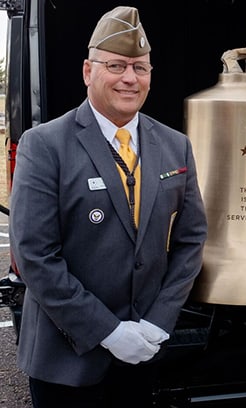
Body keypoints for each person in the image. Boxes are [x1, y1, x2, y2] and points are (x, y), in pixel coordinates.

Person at [9, 6, 208, 408]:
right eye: (116, 65)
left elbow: (191, 240)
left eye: (141, 68)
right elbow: (35, 255)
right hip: (67, 359)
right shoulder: (46, 145)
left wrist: (158, 321)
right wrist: (108, 331)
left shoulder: (174, 145)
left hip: (143, 352)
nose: (130, 78)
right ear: (88, 71)